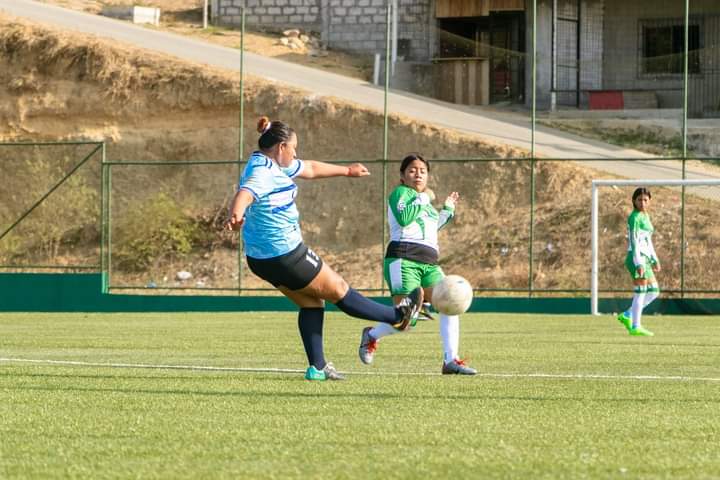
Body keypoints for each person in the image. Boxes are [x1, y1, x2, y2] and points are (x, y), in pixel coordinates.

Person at [225, 117, 424, 381]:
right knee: (339, 289)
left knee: (311, 303)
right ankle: (398, 315)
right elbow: (245, 193)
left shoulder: (271, 162)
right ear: (281, 147)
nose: (296, 153)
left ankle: (317, 368)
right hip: (285, 254)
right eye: (294, 148)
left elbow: (310, 168)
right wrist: (236, 214)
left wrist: (347, 171)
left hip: (261, 259)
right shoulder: (263, 172)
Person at [358, 153, 477, 375]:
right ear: (402, 176)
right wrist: (424, 197)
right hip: (403, 258)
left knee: (449, 303)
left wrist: (447, 211)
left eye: (422, 171)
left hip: (429, 263)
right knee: (406, 320)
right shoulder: (400, 193)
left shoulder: (426, 204)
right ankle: (371, 335)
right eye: (412, 170)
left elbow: (430, 229)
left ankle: (451, 360)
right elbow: (405, 218)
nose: (418, 174)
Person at [617, 187, 660, 337]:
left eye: (645, 200)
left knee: (654, 291)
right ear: (634, 201)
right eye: (639, 199)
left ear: (650, 201)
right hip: (637, 258)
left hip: (646, 258)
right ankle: (636, 326)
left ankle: (628, 315)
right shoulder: (634, 217)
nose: (642, 202)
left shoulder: (645, 216)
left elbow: (647, 241)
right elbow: (634, 242)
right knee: (641, 292)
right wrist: (639, 263)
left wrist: (654, 258)